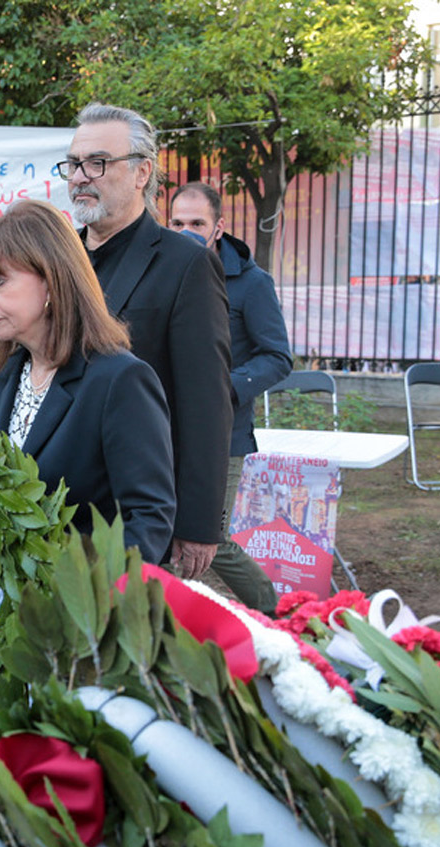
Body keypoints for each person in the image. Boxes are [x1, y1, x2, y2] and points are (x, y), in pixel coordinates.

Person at [64, 103, 233, 579]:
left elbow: (206, 401)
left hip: (137, 511)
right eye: (74, 164)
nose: (81, 176)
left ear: (142, 172)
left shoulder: (186, 264)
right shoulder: (59, 259)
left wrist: (198, 522)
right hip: (55, 502)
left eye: (97, 163)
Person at [0, 200, 176, 562]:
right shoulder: (8, 376)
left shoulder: (120, 380)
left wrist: (84, 597)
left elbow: (148, 520)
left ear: (52, 281)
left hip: (86, 607)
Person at [169, 182, 291, 611]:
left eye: (197, 223)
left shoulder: (252, 283)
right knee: (162, 535)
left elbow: (277, 357)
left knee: (209, 540)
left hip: (224, 434)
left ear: (218, 227)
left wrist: (221, 390)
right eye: (178, 223)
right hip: (164, 431)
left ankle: (280, 614)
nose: (187, 231)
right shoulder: (163, 272)